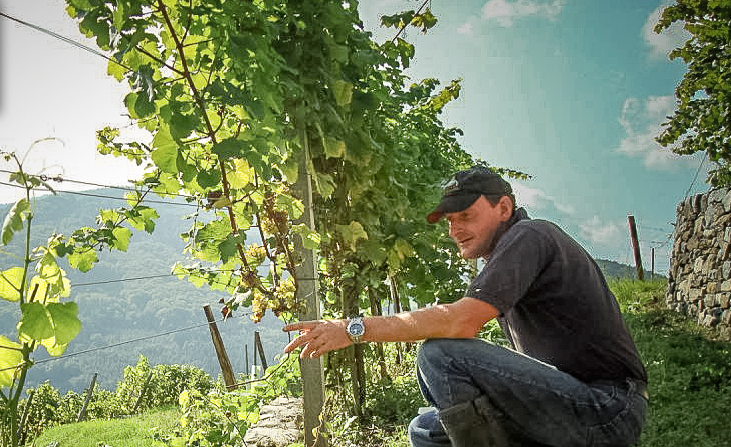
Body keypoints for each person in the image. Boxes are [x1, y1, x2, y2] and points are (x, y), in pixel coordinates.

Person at [283, 166, 648, 447]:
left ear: (503, 207)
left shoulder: (529, 235)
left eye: (466, 216)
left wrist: (352, 328)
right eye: (450, 221)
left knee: (441, 354)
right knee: (426, 430)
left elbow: (461, 322)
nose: (455, 229)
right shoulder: (508, 254)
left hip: (607, 409)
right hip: (574, 400)